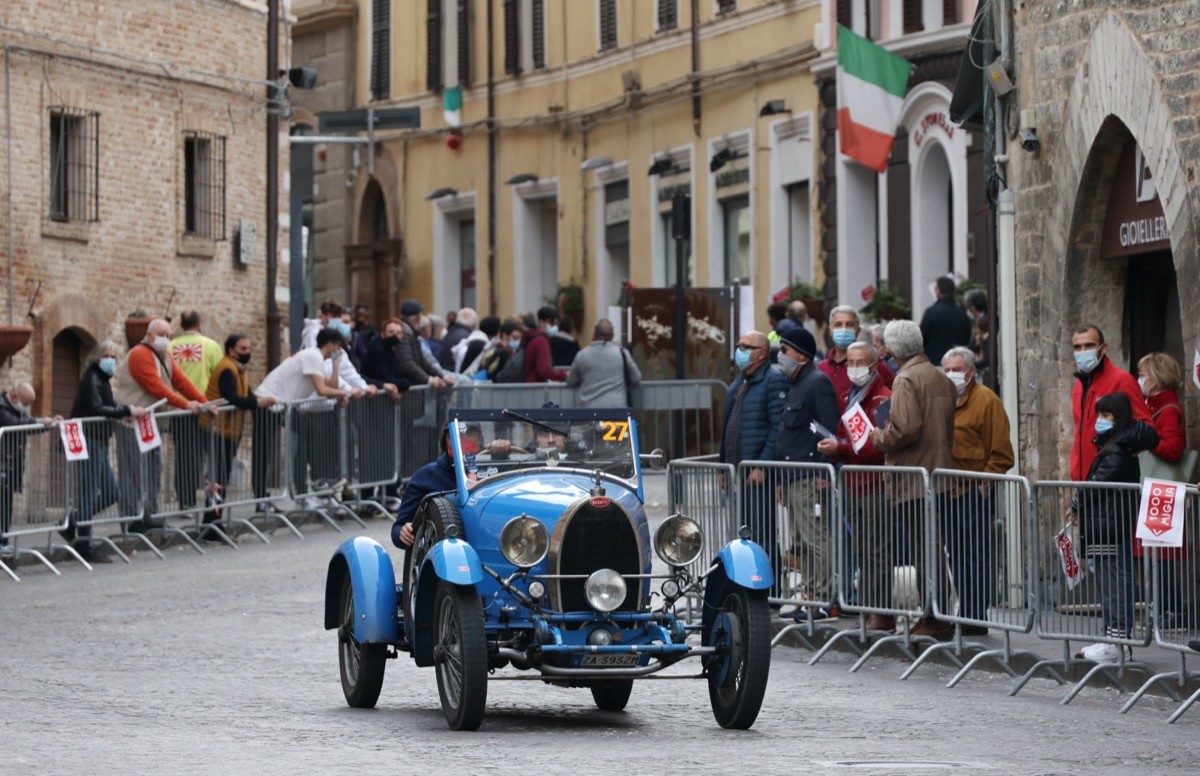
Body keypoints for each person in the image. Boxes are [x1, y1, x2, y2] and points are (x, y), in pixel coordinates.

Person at [869, 319, 957, 638]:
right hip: (939, 474)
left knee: (924, 550)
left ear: (893, 349)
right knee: (932, 548)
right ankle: (936, 613)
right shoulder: (938, 376)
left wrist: (878, 436)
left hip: (915, 478)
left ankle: (933, 616)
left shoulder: (905, 379)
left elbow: (905, 429)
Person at [1073, 392, 1158, 663]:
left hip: (1110, 523)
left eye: (1106, 415)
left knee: (1113, 583)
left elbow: (1099, 483)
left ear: (1119, 418)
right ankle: (1111, 637)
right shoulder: (1115, 444)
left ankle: (1118, 640)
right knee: (1107, 581)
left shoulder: (1118, 448)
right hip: (1105, 524)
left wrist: (1076, 503)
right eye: (1099, 415)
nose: (1100, 420)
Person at [816, 340, 894, 631]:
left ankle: (881, 612)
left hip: (873, 482)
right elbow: (845, 432)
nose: (853, 368)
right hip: (855, 482)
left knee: (877, 550)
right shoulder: (853, 395)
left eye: (860, 363)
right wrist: (840, 445)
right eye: (850, 362)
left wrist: (841, 449)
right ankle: (868, 609)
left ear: (874, 366)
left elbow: (878, 446)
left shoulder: (881, 398)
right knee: (863, 549)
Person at [114, 318, 215, 532]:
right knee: (132, 472)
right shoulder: (140, 354)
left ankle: (151, 513)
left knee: (153, 469)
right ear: (149, 335)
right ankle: (131, 520)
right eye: (162, 335)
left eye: (168, 335)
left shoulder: (163, 356)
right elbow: (158, 388)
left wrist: (205, 403)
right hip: (131, 422)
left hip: (150, 423)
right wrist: (187, 404)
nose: (166, 339)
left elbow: (180, 381)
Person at [941, 346, 1014, 634]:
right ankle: (966, 609)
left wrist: (986, 481)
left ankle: (976, 614)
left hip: (974, 489)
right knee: (956, 553)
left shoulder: (987, 401)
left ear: (971, 373)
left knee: (977, 552)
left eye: (957, 370)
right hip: (949, 488)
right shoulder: (944, 400)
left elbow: (1001, 452)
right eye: (947, 369)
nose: (952, 375)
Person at [772, 327, 839, 619]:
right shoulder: (797, 383)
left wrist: (827, 472)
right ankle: (808, 596)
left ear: (800, 354)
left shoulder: (817, 383)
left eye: (785, 350)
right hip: (794, 475)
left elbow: (829, 430)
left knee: (816, 540)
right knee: (802, 543)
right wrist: (782, 481)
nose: (781, 356)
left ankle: (822, 599)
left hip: (812, 475)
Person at [720, 330, 789, 592]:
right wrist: (723, 464)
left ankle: (771, 590)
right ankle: (746, 587)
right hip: (737, 472)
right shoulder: (738, 383)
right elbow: (727, 427)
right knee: (743, 534)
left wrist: (762, 464)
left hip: (757, 473)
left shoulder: (773, 381)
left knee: (763, 534)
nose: (740, 350)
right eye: (738, 345)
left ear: (761, 353)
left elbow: (777, 427)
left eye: (746, 346)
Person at [68, 341, 147, 561]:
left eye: (113, 355)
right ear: (97, 357)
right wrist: (126, 409)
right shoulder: (93, 378)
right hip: (90, 438)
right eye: (108, 355)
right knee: (89, 493)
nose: (111, 360)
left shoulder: (102, 379)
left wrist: (123, 413)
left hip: (99, 439)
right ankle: (84, 544)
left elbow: (108, 406)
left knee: (112, 492)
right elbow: (96, 408)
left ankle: (73, 520)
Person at [256, 329, 350, 505]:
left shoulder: (318, 359)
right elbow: (323, 390)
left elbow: (331, 387)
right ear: (330, 344)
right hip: (269, 403)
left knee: (311, 432)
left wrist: (336, 365)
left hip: (283, 405)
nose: (341, 350)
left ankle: (313, 482)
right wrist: (343, 393)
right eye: (338, 346)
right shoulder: (312, 356)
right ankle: (263, 497)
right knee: (263, 453)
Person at [200, 334, 277, 527]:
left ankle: (214, 522)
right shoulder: (227, 368)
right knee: (218, 478)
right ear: (231, 350)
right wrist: (258, 402)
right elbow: (232, 398)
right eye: (243, 349)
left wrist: (259, 400)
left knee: (222, 477)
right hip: (218, 429)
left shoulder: (239, 369)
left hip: (228, 430)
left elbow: (246, 394)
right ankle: (211, 523)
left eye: (249, 348)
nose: (248, 353)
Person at [1134, 352, 1187, 627]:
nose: (1139, 379)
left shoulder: (1167, 409)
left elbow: (1173, 449)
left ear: (1155, 378)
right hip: (1156, 490)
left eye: (1143, 374)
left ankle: (1172, 612)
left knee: (1161, 556)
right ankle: (1161, 611)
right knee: (1155, 554)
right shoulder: (1154, 406)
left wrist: (1148, 440)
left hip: (1162, 490)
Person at [1069, 324, 1151, 481]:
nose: (1083, 351)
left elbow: (1146, 428)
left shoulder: (1123, 381)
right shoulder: (1078, 386)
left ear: (1103, 348)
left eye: (1089, 345)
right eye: (1077, 347)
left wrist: (1118, 445)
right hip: (1083, 483)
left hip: (1112, 484)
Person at [169, 309, 222, 510]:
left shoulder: (170, 347)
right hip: (204, 409)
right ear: (199, 323)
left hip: (178, 409)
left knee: (184, 457)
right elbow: (218, 376)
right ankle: (212, 500)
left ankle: (186, 502)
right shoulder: (211, 346)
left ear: (181, 325)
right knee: (212, 454)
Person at [0, 384, 60, 554]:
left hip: (10, 464)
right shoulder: (2, 407)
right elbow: (15, 424)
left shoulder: (14, 408)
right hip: (3, 463)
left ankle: (3, 541)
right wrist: (39, 421)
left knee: (6, 506)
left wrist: (48, 424)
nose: (24, 408)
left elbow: (26, 427)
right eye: (23, 403)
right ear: (13, 396)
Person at [820, 306, 895, 408]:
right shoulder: (821, 367)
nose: (843, 329)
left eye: (849, 325)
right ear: (830, 330)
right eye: (838, 325)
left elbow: (894, 396)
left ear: (858, 330)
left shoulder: (872, 363)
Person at [566, 319, 641, 409]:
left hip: (590, 412)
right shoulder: (622, 354)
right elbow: (636, 378)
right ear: (612, 336)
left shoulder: (582, 355)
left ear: (593, 335)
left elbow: (570, 381)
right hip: (617, 411)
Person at [397, 300, 455, 389]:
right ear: (417, 318)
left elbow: (423, 361)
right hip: (409, 389)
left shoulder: (411, 332)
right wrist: (429, 379)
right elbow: (407, 363)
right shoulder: (405, 332)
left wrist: (442, 376)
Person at [918, 276, 972, 364]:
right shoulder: (963, 314)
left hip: (934, 363)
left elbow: (921, 339)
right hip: (958, 363)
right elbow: (967, 339)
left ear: (937, 291)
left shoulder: (931, 312)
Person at [523, 306, 567, 383]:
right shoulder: (541, 341)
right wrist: (564, 375)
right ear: (541, 322)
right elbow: (543, 370)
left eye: (556, 324)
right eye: (551, 323)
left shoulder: (533, 337)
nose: (554, 327)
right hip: (536, 387)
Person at [480, 317, 524, 382]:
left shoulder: (492, 348)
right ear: (505, 335)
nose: (517, 341)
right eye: (515, 337)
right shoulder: (502, 352)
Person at [439, 307, 476, 373]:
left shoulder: (450, 333)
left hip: (446, 373)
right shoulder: (467, 338)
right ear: (473, 324)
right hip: (455, 377)